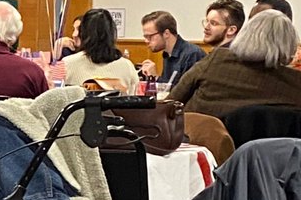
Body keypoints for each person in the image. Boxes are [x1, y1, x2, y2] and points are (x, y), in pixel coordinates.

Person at [169, 9, 301, 120]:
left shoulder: (217, 59)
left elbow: (172, 101)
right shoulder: (295, 83)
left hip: (199, 142)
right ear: (289, 45)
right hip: (266, 149)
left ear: (245, 35)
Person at [62, 8, 139, 93]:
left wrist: (55, 55)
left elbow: (53, 93)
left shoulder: (67, 64)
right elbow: (135, 98)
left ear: (83, 33)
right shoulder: (127, 66)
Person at [138, 10, 205, 84]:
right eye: (145, 37)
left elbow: (185, 92)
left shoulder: (192, 54)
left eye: (149, 36)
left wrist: (156, 77)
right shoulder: (167, 54)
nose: (146, 41)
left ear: (166, 33)